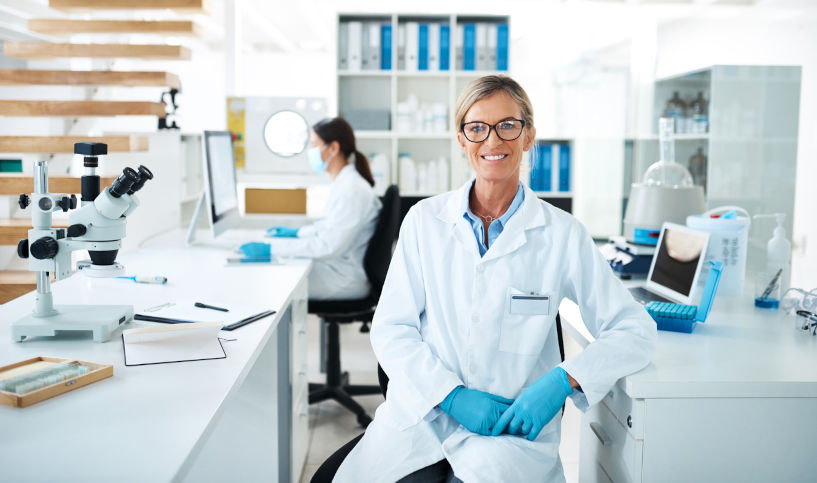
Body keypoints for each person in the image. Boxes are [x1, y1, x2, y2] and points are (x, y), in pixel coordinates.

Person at [333, 76, 657, 482]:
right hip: (423, 418)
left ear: (528, 136)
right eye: (477, 127)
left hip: (510, 432)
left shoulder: (561, 233)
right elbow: (391, 330)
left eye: (507, 125)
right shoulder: (424, 223)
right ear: (462, 139)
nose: (492, 140)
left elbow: (635, 330)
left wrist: (564, 379)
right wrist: (450, 396)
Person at [239, 117, 382, 300]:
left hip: (343, 278)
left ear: (333, 148)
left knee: (269, 280)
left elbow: (327, 246)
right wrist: (298, 233)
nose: (311, 151)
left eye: (314, 145)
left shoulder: (351, 189)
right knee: (278, 269)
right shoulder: (345, 183)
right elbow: (331, 228)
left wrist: (272, 248)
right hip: (336, 267)